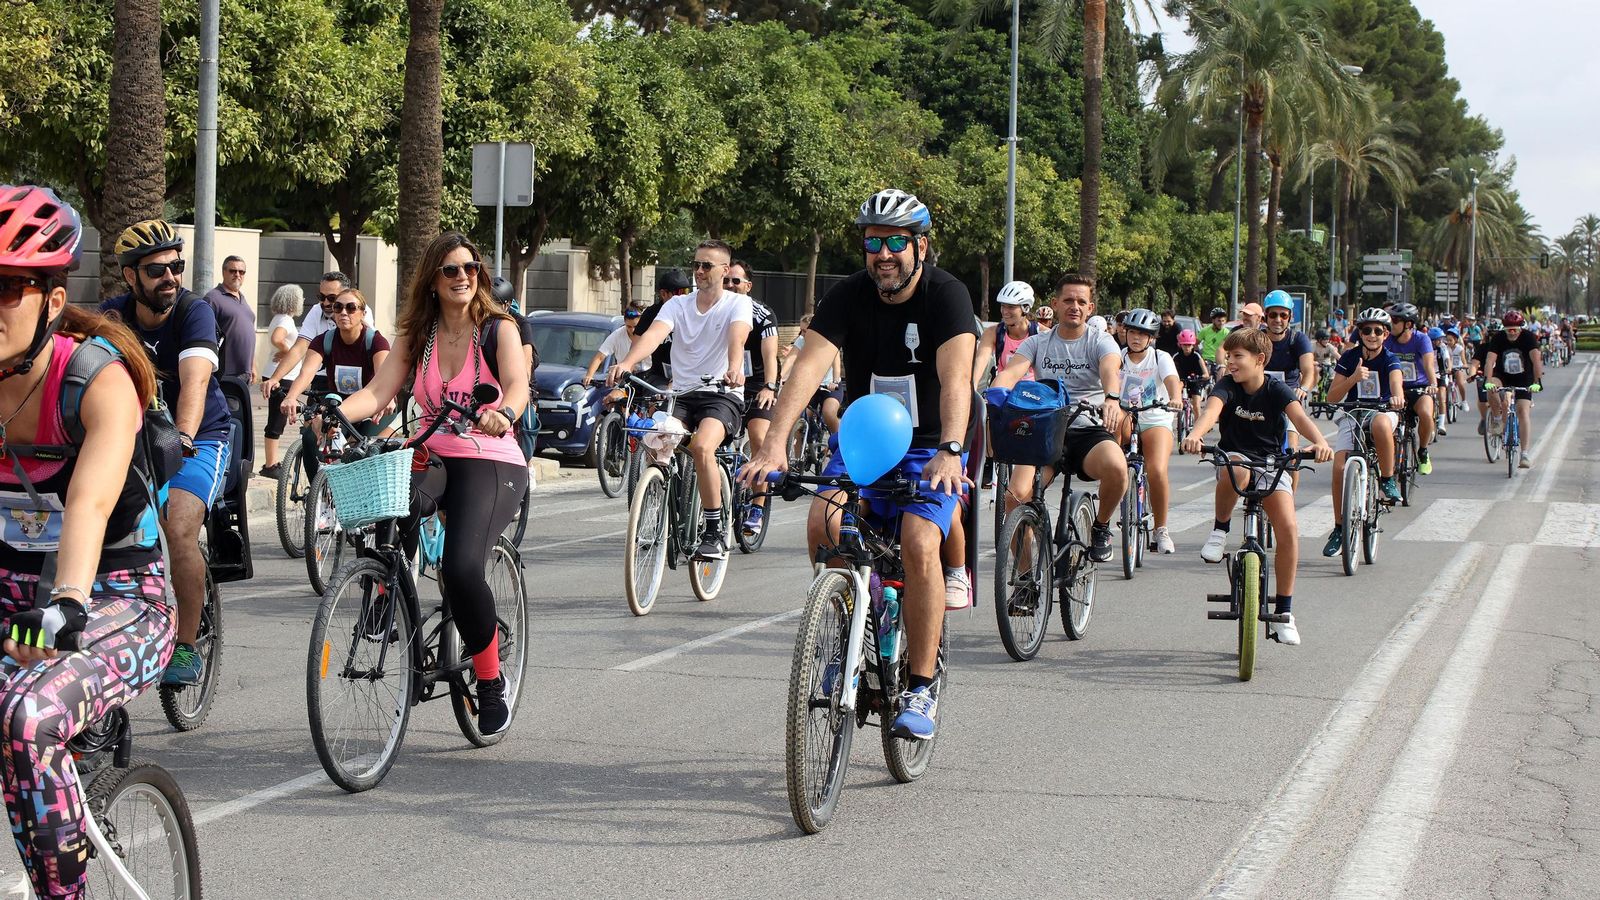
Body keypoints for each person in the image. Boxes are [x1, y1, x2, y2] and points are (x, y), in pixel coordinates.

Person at [741, 188, 973, 741]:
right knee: (824, 520)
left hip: (931, 444)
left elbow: (958, 377)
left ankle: (920, 684)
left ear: (920, 245)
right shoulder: (848, 294)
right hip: (866, 436)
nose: (884, 254)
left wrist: (951, 448)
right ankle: (843, 622)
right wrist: (774, 446)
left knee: (919, 542)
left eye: (896, 241)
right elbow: (807, 366)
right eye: (874, 242)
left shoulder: (947, 295)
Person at [0, 185, 172, 900]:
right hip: (11, 593)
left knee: (27, 718)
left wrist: (66, 602)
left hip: (116, 596)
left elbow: (91, 504)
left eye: (8, 288)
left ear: (50, 295)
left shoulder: (94, 379)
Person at [335, 232, 529, 734]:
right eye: (450, 270)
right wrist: (335, 414)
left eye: (470, 267)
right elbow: (378, 392)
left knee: (462, 568)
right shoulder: (417, 335)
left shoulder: (497, 329)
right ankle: (384, 591)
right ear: (432, 280)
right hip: (432, 451)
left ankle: (490, 681)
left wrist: (504, 413)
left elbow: (517, 386)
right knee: (390, 502)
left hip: (491, 458)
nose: (462, 276)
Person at [102, 219, 232, 687]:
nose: (171, 277)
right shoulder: (113, 318)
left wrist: (181, 438)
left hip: (202, 438)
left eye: (176, 266)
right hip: (134, 440)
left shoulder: (193, 312)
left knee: (178, 528)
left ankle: (186, 646)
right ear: (130, 277)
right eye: (157, 269)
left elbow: (194, 382)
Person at [1181, 328, 1333, 645]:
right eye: (1229, 356)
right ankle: (1220, 530)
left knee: (1289, 529)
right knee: (1235, 468)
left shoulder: (1276, 389)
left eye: (1238, 357)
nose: (1230, 363)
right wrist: (1196, 435)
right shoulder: (1226, 386)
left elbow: (1299, 418)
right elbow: (1211, 412)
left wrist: (1319, 442)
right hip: (1236, 456)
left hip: (1270, 462)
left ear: (1259, 359)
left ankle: (1285, 614)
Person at [608, 240, 752, 561]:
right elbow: (654, 335)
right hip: (682, 394)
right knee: (657, 437)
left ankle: (714, 531)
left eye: (707, 266)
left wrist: (733, 368)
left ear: (725, 270)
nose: (699, 271)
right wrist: (628, 363)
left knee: (702, 447)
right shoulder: (677, 305)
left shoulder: (737, 304)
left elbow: (737, 337)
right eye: (696, 265)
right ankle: (659, 493)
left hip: (721, 393)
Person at [991, 273, 1127, 563]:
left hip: (1086, 429)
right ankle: (1026, 579)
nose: (1074, 306)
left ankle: (1101, 527)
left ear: (1090, 308)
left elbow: (1109, 369)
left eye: (1081, 301)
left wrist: (1111, 399)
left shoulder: (1101, 341)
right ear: (1055, 304)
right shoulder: (1037, 343)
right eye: (1068, 300)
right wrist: (994, 393)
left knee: (1117, 468)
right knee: (1014, 499)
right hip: (1045, 430)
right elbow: (1011, 372)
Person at [279, 287, 395, 477]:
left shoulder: (376, 341)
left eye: (351, 308)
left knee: (365, 446)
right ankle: (316, 493)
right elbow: (306, 373)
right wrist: (291, 396)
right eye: (338, 307)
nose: (343, 312)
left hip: (374, 406)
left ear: (362, 313)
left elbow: (385, 376)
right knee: (310, 437)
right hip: (337, 406)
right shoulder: (323, 341)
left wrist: (388, 397)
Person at [1321, 308, 1406, 558]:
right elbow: (1332, 396)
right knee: (1338, 468)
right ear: (1359, 332)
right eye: (1366, 330)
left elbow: (1396, 384)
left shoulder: (1391, 358)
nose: (1371, 335)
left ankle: (1388, 481)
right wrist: (1354, 378)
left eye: (1377, 331)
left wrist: (1398, 397)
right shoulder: (1349, 357)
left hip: (1382, 411)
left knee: (1380, 424)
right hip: (1353, 413)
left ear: (1385, 334)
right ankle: (1339, 528)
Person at [1117, 309, 1182, 553]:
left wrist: (1175, 397)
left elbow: (1172, 380)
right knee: (1108, 450)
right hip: (1125, 416)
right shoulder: (1118, 356)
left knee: (1156, 469)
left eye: (1142, 334)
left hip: (1156, 416)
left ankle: (1161, 529)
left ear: (1151, 337)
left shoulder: (1160, 357)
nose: (1135, 337)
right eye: (1132, 331)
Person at [726, 260, 780, 539]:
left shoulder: (762, 314)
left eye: (737, 282)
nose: (730, 286)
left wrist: (770, 386)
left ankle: (757, 506)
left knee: (759, 436)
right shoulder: (714, 309)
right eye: (727, 281)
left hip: (757, 383)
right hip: (724, 381)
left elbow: (770, 356)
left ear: (748, 286)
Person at [260, 271, 358, 404]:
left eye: (331, 298)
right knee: (311, 419)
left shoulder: (359, 310)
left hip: (354, 377)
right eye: (321, 297)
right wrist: (276, 379)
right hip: (322, 379)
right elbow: (300, 348)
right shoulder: (316, 311)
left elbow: (375, 350)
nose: (325, 303)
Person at [1261, 291, 1315, 488]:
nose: (1278, 320)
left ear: (1290, 317)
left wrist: (1304, 388)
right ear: (1265, 317)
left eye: (1283, 315)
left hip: (1288, 401)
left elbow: (1308, 370)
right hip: (1257, 399)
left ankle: (1288, 504)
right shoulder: (1256, 338)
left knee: (1291, 453)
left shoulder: (1297, 339)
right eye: (1273, 314)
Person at [1382, 302, 1438, 475]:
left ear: (1408, 324)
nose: (1391, 324)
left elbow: (1429, 364)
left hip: (1419, 388)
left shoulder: (1421, 339)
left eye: (1396, 320)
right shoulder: (1388, 339)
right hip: (1394, 389)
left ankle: (1423, 450)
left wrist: (1433, 384)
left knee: (1426, 413)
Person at [1483, 310, 1544, 468]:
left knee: (1523, 411)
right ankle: (1497, 420)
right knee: (1491, 388)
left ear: (1521, 328)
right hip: (1503, 375)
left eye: (1514, 329)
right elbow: (1490, 361)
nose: (1511, 332)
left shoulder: (1529, 338)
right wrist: (1487, 380)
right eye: (1508, 329)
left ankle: (1524, 454)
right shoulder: (1498, 338)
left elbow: (1536, 361)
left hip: (1525, 378)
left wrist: (1538, 381)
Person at [259, 284, 305, 479]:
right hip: (281, 377)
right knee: (277, 421)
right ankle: (271, 465)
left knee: (277, 419)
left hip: (275, 373)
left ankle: (271, 463)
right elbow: (278, 338)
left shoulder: (279, 318)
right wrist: (289, 352)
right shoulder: (285, 320)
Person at [632, 268, 694, 389]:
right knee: (658, 400)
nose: (683, 296)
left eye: (686, 291)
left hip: (690, 376)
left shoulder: (695, 312)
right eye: (678, 292)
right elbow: (635, 347)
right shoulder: (651, 314)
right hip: (660, 376)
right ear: (663, 294)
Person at [972, 281, 1039, 385]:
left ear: (1025, 308)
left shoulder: (1040, 334)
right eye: (1003, 306)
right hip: (1003, 392)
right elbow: (981, 361)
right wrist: (972, 387)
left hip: (1032, 395)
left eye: (1011, 307)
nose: (1005, 311)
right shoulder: (993, 332)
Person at [202, 254, 257, 382]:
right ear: (224, 272)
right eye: (233, 271)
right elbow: (205, 334)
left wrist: (252, 365)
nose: (237, 274)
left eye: (241, 272)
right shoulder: (213, 298)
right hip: (226, 374)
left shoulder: (242, 299)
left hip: (244, 372)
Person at [581, 307, 646, 389]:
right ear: (624, 322)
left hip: (646, 376)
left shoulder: (647, 334)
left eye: (636, 326)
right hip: (624, 376)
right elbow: (599, 357)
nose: (632, 330)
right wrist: (589, 376)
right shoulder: (617, 335)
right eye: (629, 327)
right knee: (611, 399)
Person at [1173, 328, 1210, 421]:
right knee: (1176, 394)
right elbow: (1171, 371)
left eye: (1189, 345)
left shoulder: (1196, 355)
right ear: (1180, 345)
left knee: (1196, 405)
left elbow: (1206, 373)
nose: (1187, 347)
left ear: (1193, 345)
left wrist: (1203, 376)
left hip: (1195, 380)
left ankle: (1198, 429)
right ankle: (1179, 418)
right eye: (1184, 345)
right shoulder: (1176, 356)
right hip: (1182, 380)